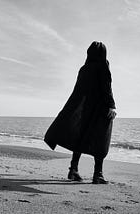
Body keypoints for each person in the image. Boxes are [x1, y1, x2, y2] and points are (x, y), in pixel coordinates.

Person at [44, 41, 116, 184]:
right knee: (101, 140)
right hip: (101, 108)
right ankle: (98, 174)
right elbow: (106, 87)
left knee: (81, 137)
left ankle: (73, 170)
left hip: (85, 110)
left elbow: (78, 91)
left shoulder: (84, 68)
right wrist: (111, 106)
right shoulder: (103, 65)